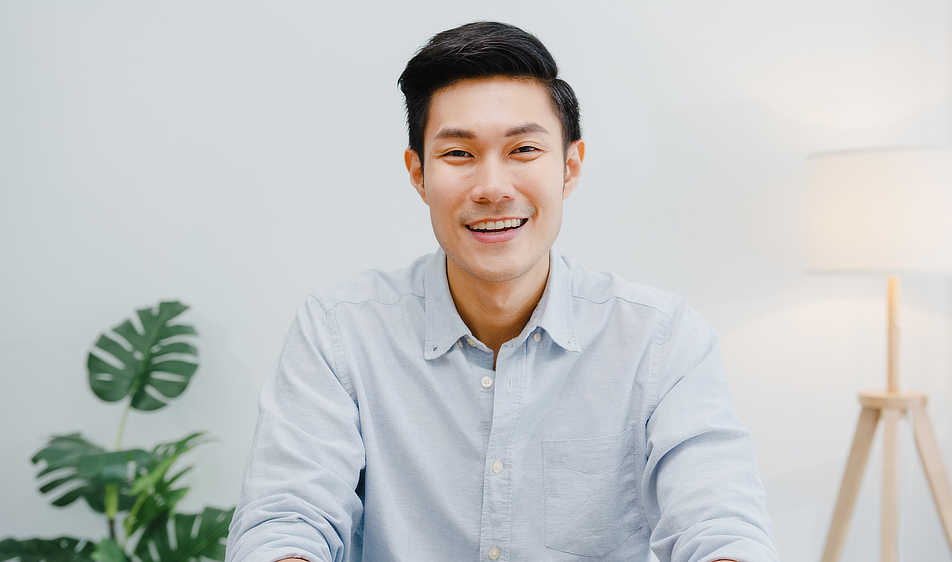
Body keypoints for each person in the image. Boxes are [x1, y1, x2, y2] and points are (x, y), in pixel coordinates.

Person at [226, 21, 780, 562]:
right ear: (418, 174)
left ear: (570, 167)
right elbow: (286, 517)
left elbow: (720, 522)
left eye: (523, 151)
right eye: (459, 155)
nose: (492, 188)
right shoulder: (339, 332)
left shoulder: (661, 339)